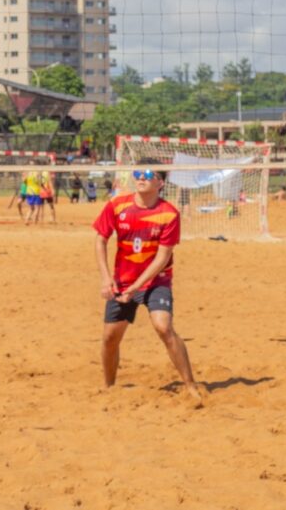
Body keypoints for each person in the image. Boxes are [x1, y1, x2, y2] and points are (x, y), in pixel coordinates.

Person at [93, 162, 202, 405]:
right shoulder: (117, 205)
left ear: (160, 182)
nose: (141, 178)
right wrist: (105, 278)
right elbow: (100, 240)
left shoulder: (169, 214)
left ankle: (190, 385)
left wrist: (137, 287)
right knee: (110, 337)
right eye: (138, 174)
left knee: (163, 327)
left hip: (156, 281)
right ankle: (109, 386)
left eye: (148, 174)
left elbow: (162, 259)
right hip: (122, 281)